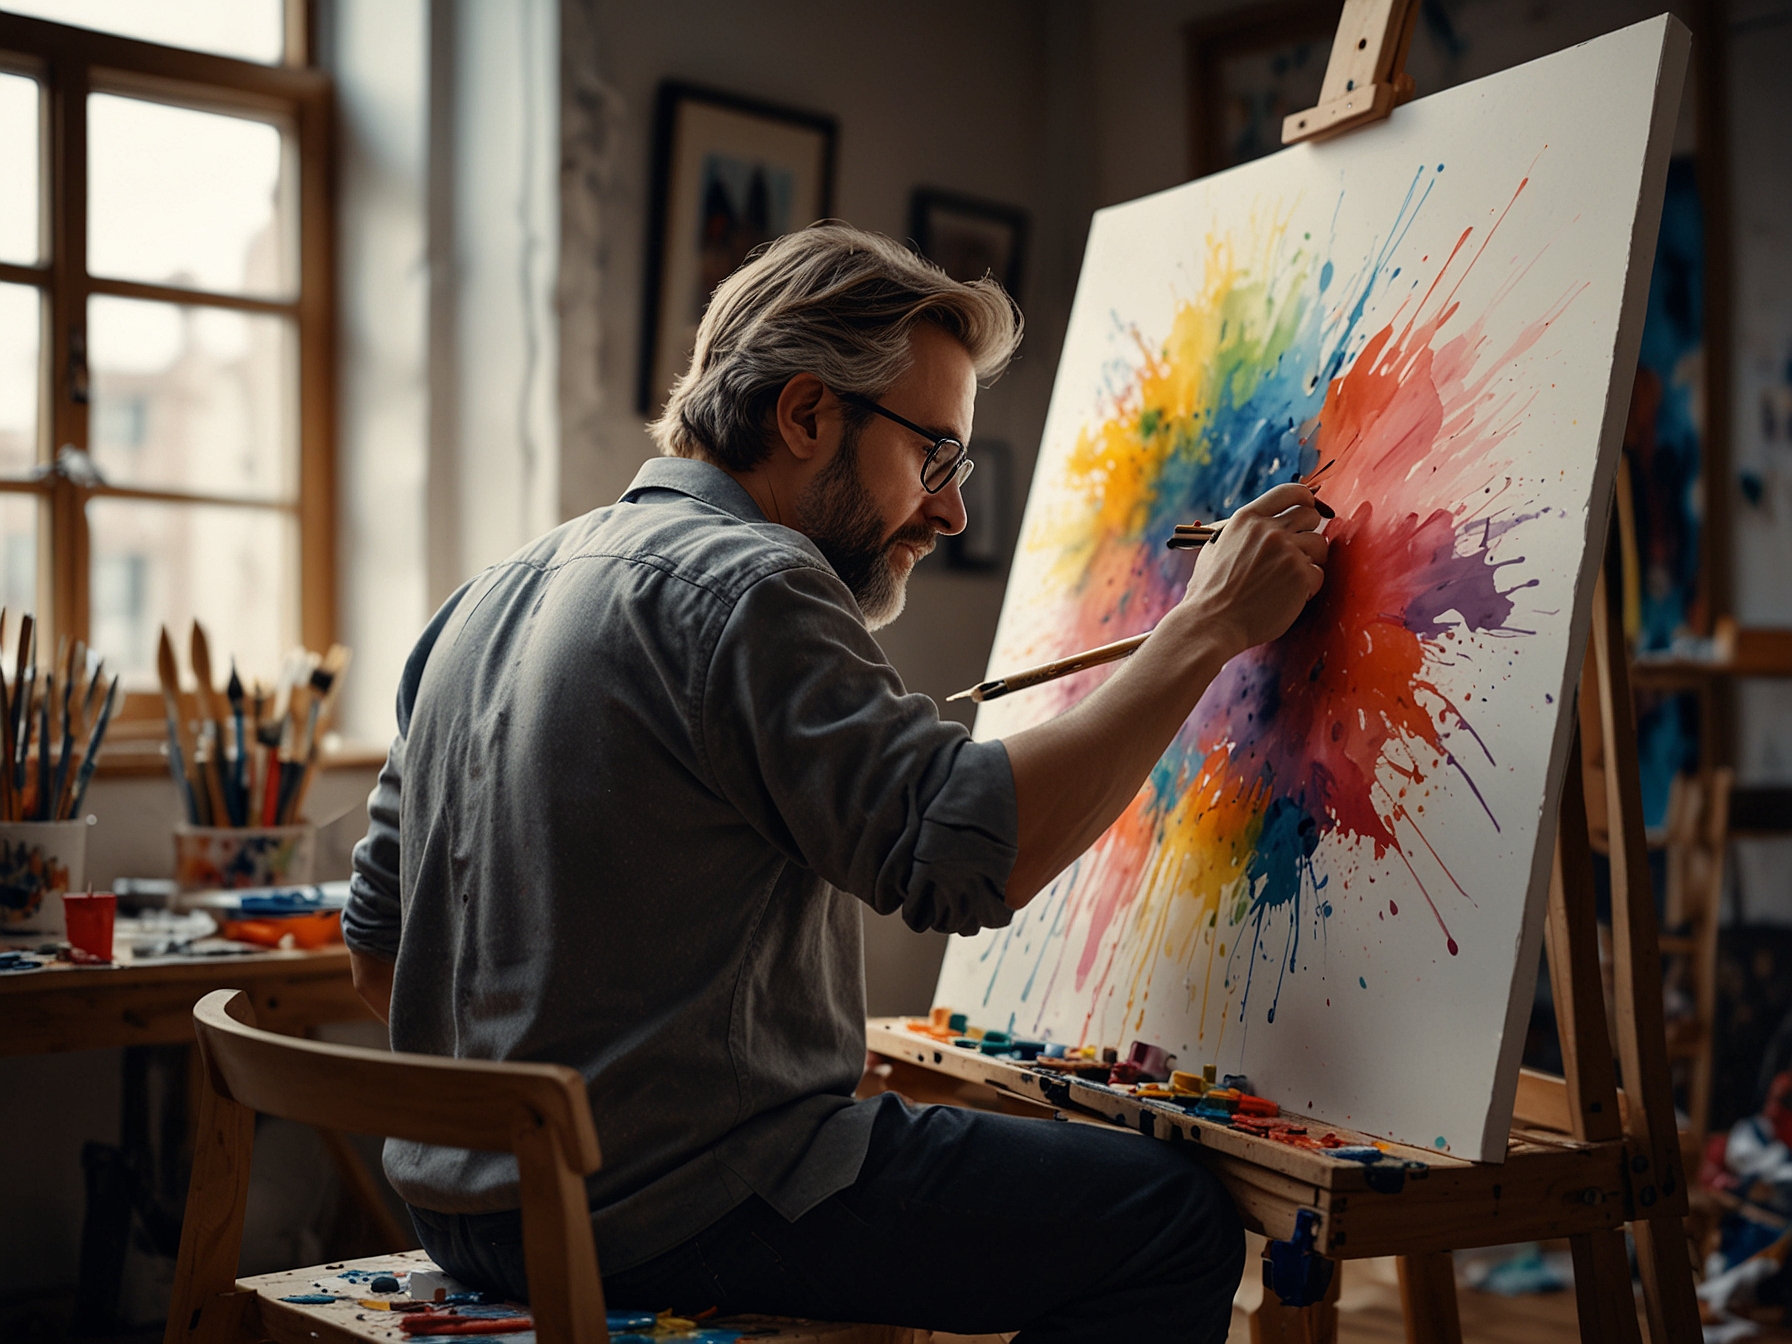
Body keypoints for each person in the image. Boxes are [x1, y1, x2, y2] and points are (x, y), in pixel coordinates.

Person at [344, 222, 1328, 1342]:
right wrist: (1200, 631)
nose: (950, 509)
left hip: (460, 1207)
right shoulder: (751, 582)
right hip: (656, 1208)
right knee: (1170, 1223)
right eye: (934, 456)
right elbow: (966, 858)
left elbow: (380, 954)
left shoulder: (490, 592)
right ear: (807, 414)